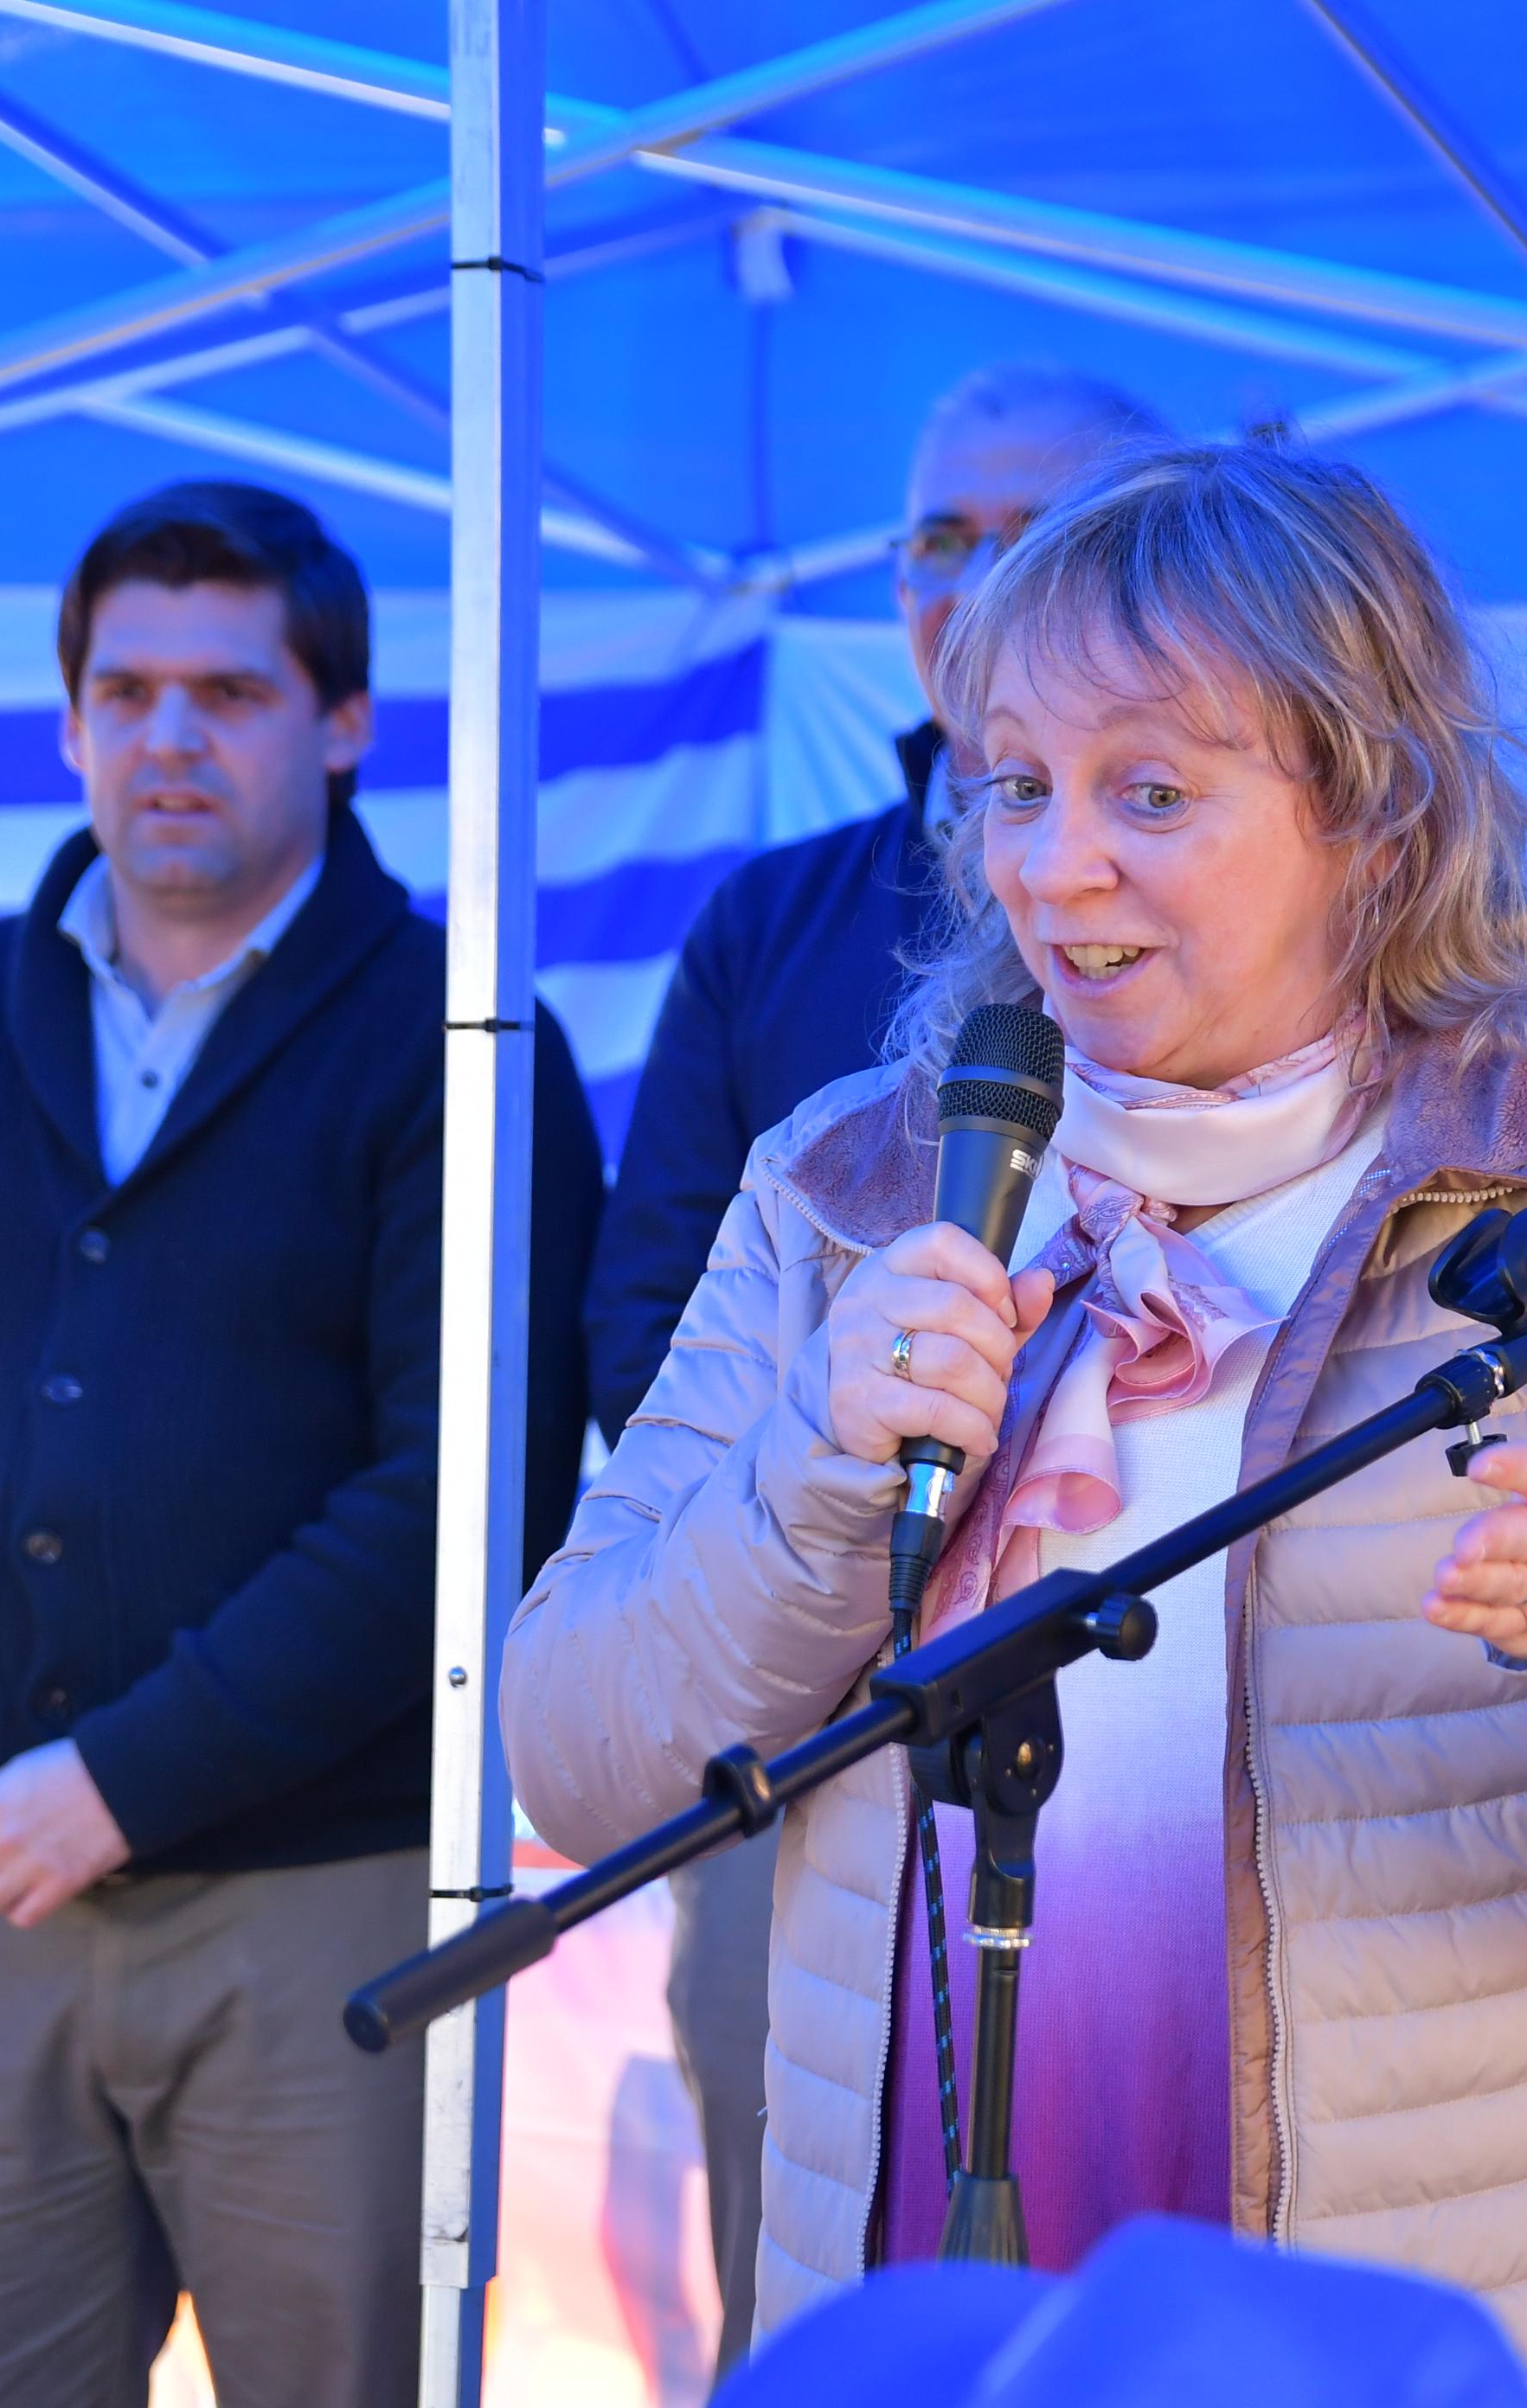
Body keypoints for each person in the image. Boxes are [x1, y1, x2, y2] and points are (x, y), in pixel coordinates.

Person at [506, 442, 1527, 2401]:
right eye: (1016, 787)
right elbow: (572, 1757)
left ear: (1376, 818)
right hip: (936, 2317)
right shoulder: (850, 1191)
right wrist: (815, 1484)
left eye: (1151, 792)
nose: (1055, 867)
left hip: (1423, 2337)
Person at [0, 482, 601, 2407]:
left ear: (344, 722)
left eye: (229, 690)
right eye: (123, 692)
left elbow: (467, 1494)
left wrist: (124, 1777)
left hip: (326, 1904)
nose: (168, 737)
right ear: (69, 722)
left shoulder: (463, 1040)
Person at [584, 358, 1164, 2372]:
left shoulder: (1269, 934)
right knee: (816, 2287)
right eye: (938, 533)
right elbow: (644, 1299)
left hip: (1131, 1753)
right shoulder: (773, 920)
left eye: (1038, 530)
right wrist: (828, 1518)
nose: (975, 575)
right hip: (796, 1722)